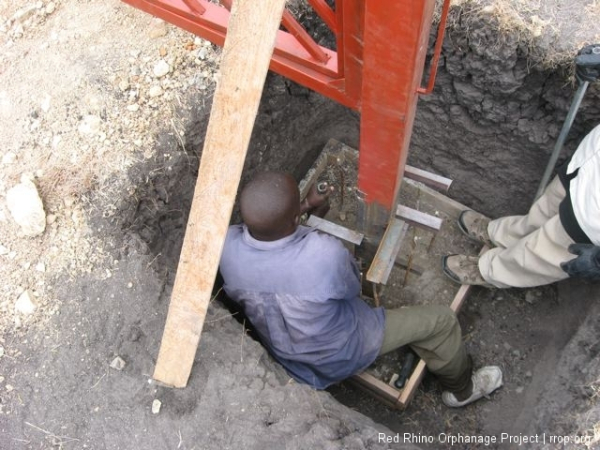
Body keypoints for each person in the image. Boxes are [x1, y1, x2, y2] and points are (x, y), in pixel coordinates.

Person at [219, 171, 502, 407]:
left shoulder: (224, 249)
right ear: (294, 219)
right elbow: (353, 287)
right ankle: (463, 391)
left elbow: (272, 234)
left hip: (284, 351)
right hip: (338, 354)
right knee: (442, 322)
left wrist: (303, 206)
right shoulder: (321, 255)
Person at [442, 124, 600, 288]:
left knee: (545, 253)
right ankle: (501, 235)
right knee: (542, 212)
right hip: (588, 164)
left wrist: (598, 261)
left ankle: (491, 272)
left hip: (592, 223)